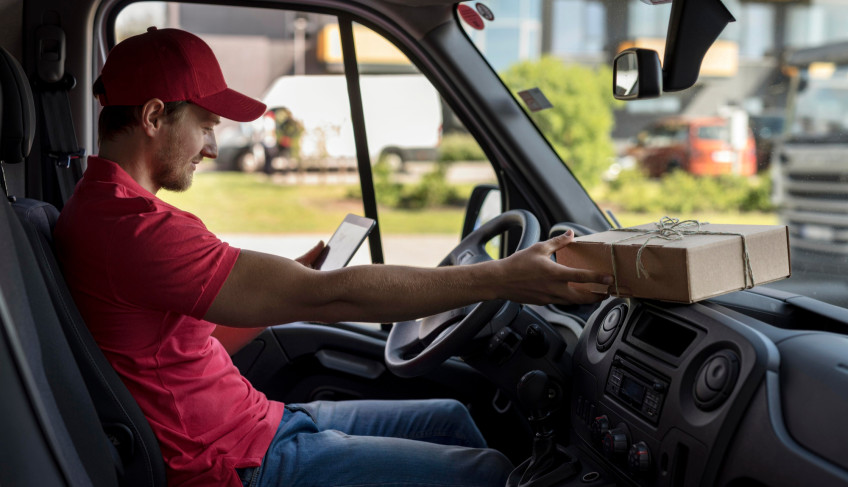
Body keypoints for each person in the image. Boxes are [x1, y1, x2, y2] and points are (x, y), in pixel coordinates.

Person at [53, 27, 613, 487]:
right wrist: (504, 277)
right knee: (488, 473)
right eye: (205, 126)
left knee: (450, 416)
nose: (213, 148)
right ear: (154, 117)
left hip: (254, 424)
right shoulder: (137, 229)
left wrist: (284, 289)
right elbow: (332, 297)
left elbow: (186, 342)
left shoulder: (102, 208)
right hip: (233, 464)